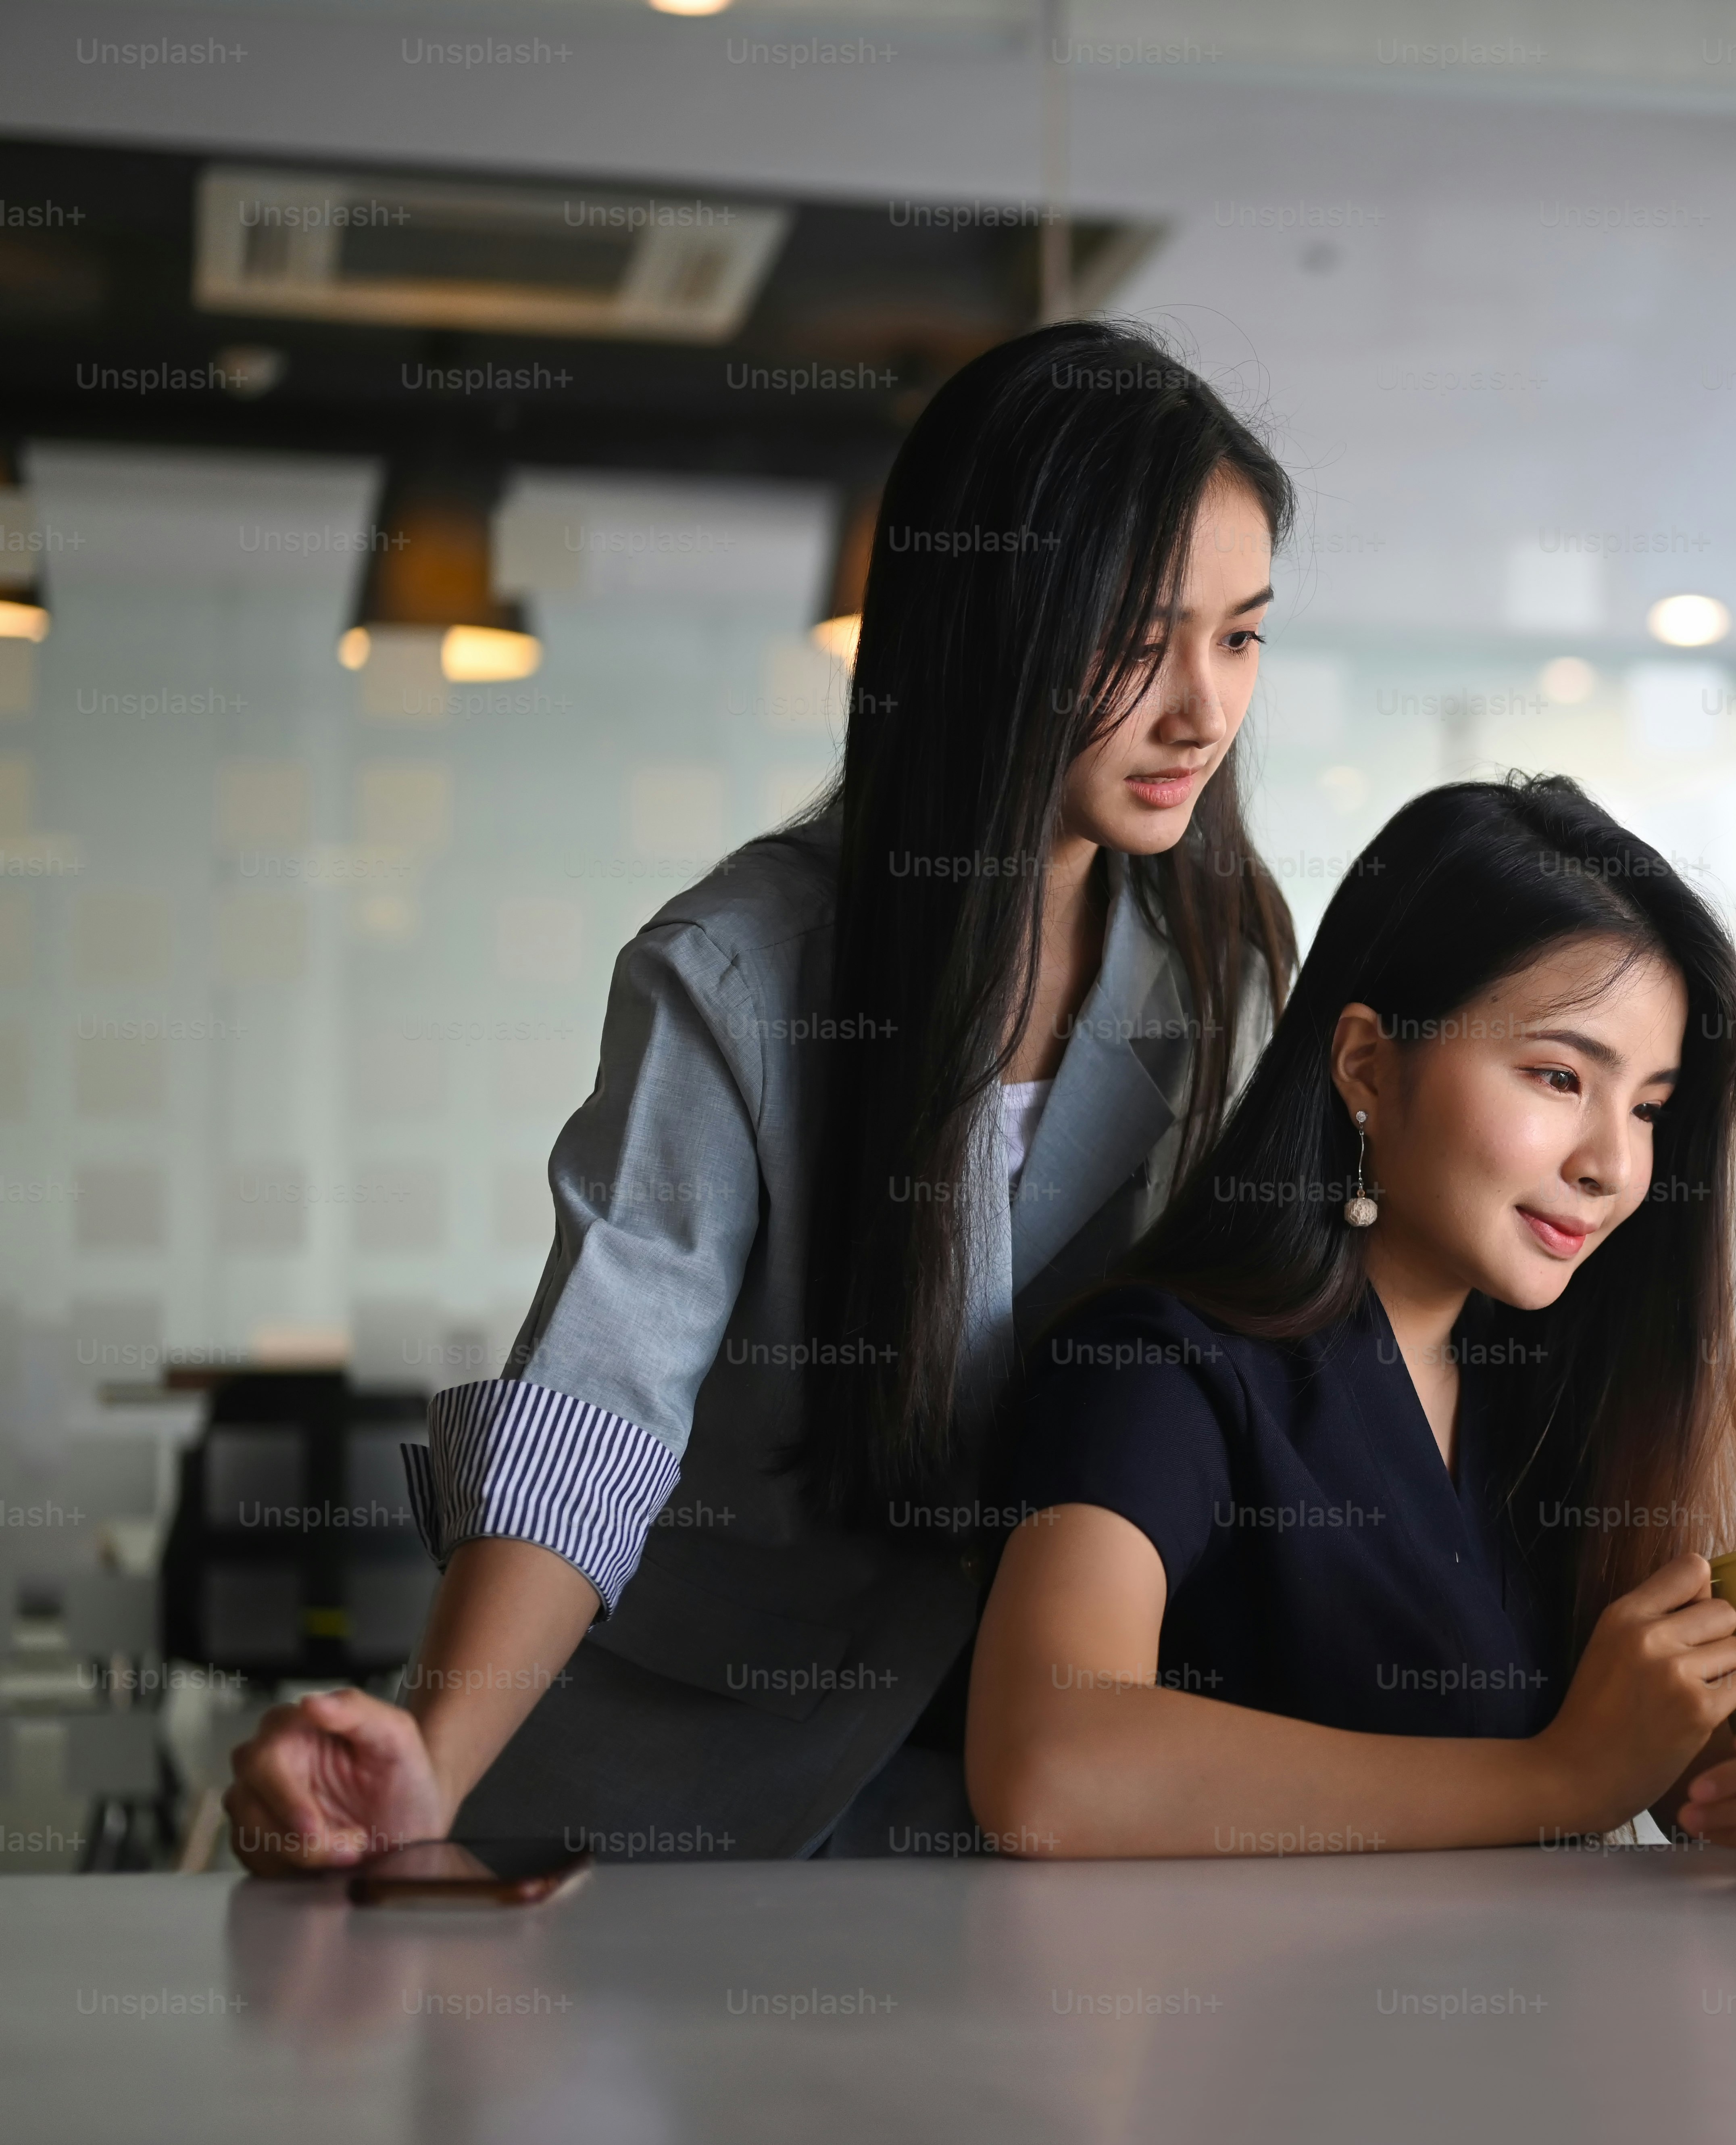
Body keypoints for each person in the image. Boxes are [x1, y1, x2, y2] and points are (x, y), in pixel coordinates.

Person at [225, 321, 1298, 1867]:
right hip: (677, 1787)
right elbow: (601, 1391)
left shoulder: (1222, 961)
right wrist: (435, 1760)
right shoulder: (742, 968)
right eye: (1136, 637)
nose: (1201, 707)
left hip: (1022, 1796)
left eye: (1242, 635)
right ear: (982, 621)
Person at [970, 776, 1736, 1857]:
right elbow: (1049, 1765)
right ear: (1368, 1062)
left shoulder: (1559, 1390)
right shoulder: (1158, 1367)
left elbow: (1680, 1773)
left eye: (1647, 1107)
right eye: (1559, 1076)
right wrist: (1559, 1777)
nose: (1611, 1164)